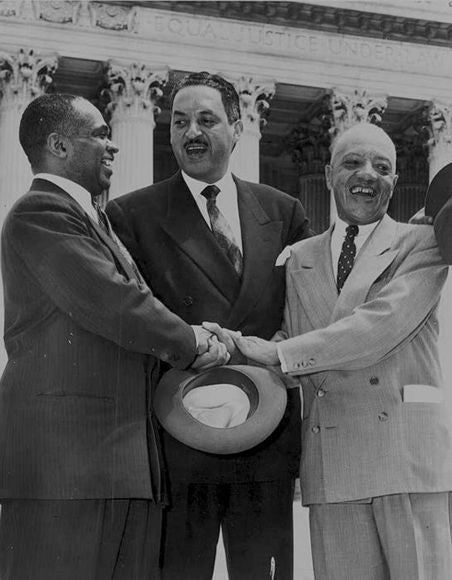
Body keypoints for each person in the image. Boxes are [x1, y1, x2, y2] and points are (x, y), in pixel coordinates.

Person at [0, 93, 227, 579]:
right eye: (100, 134)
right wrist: (193, 342)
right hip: (67, 468)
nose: (113, 145)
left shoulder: (92, 218)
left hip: (118, 461)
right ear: (59, 145)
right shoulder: (39, 213)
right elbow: (116, 303)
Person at [106, 72, 310, 579]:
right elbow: (129, 321)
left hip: (264, 440)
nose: (191, 132)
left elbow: (304, 314)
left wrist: (282, 346)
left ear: (238, 127)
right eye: (179, 122)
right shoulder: (131, 215)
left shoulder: (284, 212)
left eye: (206, 119)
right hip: (180, 439)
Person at [227, 123, 452, 579]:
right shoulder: (298, 257)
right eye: (352, 163)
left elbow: (378, 327)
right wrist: (228, 347)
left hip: (405, 457)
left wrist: (280, 354)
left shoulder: (424, 244)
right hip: (332, 463)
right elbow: (287, 344)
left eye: (382, 168)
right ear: (329, 174)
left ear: (395, 180)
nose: (367, 175)